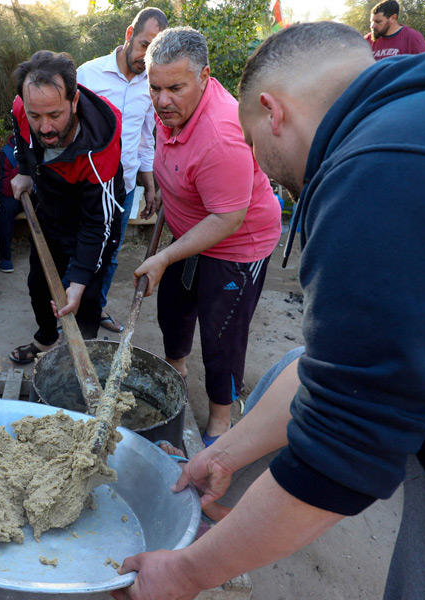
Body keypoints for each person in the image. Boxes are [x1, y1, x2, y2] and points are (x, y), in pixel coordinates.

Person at [114, 21, 425, 600]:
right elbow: (330, 369)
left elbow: (345, 445)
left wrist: (186, 574)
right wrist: (225, 455)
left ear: (273, 112)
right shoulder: (413, 102)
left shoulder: (372, 176)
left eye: (253, 141)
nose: (259, 166)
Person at [133, 27, 281, 446]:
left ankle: (221, 419)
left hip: (237, 243)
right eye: (155, 87)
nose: (162, 100)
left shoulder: (221, 133)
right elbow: (173, 161)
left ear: (203, 76)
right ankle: (175, 372)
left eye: (175, 88)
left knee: (222, 334)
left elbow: (228, 218)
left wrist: (163, 258)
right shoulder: (171, 110)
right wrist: (164, 197)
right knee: (174, 309)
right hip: (190, 230)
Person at [7, 50, 125, 364]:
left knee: (83, 295)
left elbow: (96, 223)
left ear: (74, 102)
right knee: (38, 283)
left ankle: (82, 355)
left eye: (55, 115)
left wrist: (79, 280)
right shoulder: (23, 107)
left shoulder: (100, 144)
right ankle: (47, 339)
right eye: (36, 116)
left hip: (92, 210)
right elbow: (21, 136)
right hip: (49, 202)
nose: (44, 127)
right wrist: (23, 170)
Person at [76, 7, 168, 333]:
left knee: (111, 254)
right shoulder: (87, 75)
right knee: (78, 249)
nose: (146, 56)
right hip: (85, 185)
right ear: (130, 34)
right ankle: (69, 315)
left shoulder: (152, 85)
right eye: (144, 45)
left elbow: (146, 140)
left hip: (124, 187)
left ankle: (96, 308)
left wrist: (151, 188)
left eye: (154, 50)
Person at [0, 134, 22, 272]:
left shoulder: (41, 146)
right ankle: (5, 258)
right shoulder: (7, 152)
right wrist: (23, 169)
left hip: (33, 192)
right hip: (10, 192)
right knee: (6, 210)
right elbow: (6, 187)